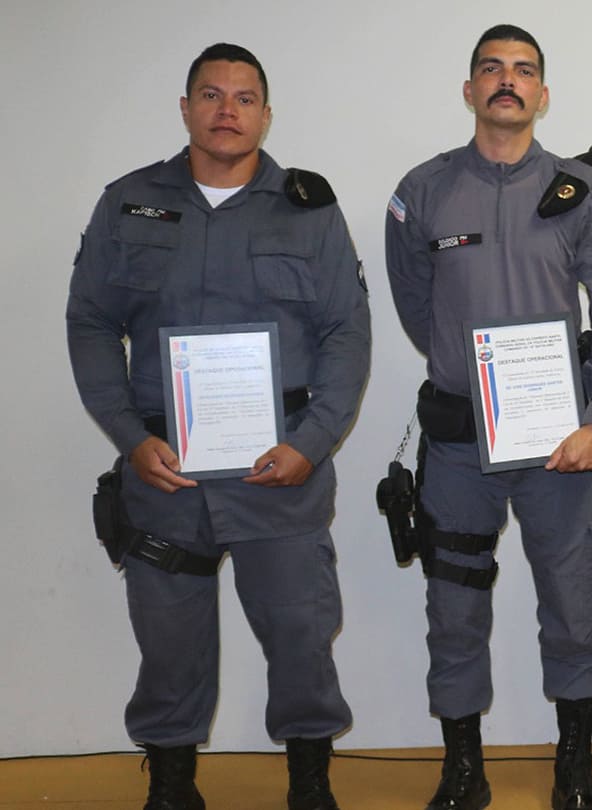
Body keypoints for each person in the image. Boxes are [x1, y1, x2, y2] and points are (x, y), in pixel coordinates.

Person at [66, 43, 370, 810]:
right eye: (210, 94)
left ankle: (309, 784)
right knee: (168, 644)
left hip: (280, 473)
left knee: (302, 637)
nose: (226, 110)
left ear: (266, 115)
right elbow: (92, 324)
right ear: (185, 108)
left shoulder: (310, 210)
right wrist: (129, 438)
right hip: (165, 474)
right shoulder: (128, 204)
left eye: (243, 98)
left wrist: (311, 444)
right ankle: (172, 787)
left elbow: (347, 332)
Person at [384, 24, 592, 810]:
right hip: (460, 446)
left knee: (572, 604)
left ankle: (574, 770)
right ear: (469, 90)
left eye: (523, 70)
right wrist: (465, 368)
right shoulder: (423, 191)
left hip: (559, 444)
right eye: (491, 68)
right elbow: (418, 305)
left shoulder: (578, 192)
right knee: (453, 608)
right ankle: (464, 771)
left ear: (542, 94)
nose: (507, 80)